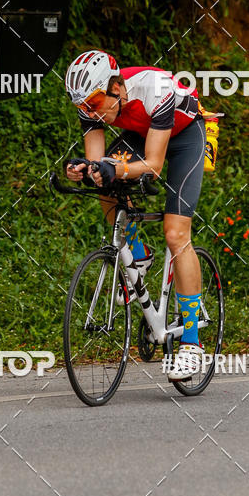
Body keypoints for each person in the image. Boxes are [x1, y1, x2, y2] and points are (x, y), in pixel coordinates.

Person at [65, 49, 214, 381]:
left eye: (93, 103)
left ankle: (191, 345)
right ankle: (138, 254)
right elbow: (97, 163)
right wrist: (83, 169)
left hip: (185, 138)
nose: (90, 112)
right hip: (142, 133)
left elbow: (153, 165)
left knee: (176, 234)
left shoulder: (154, 88)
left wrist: (114, 167)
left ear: (116, 87)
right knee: (103, 181)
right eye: (82, 108)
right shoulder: (93, 102)